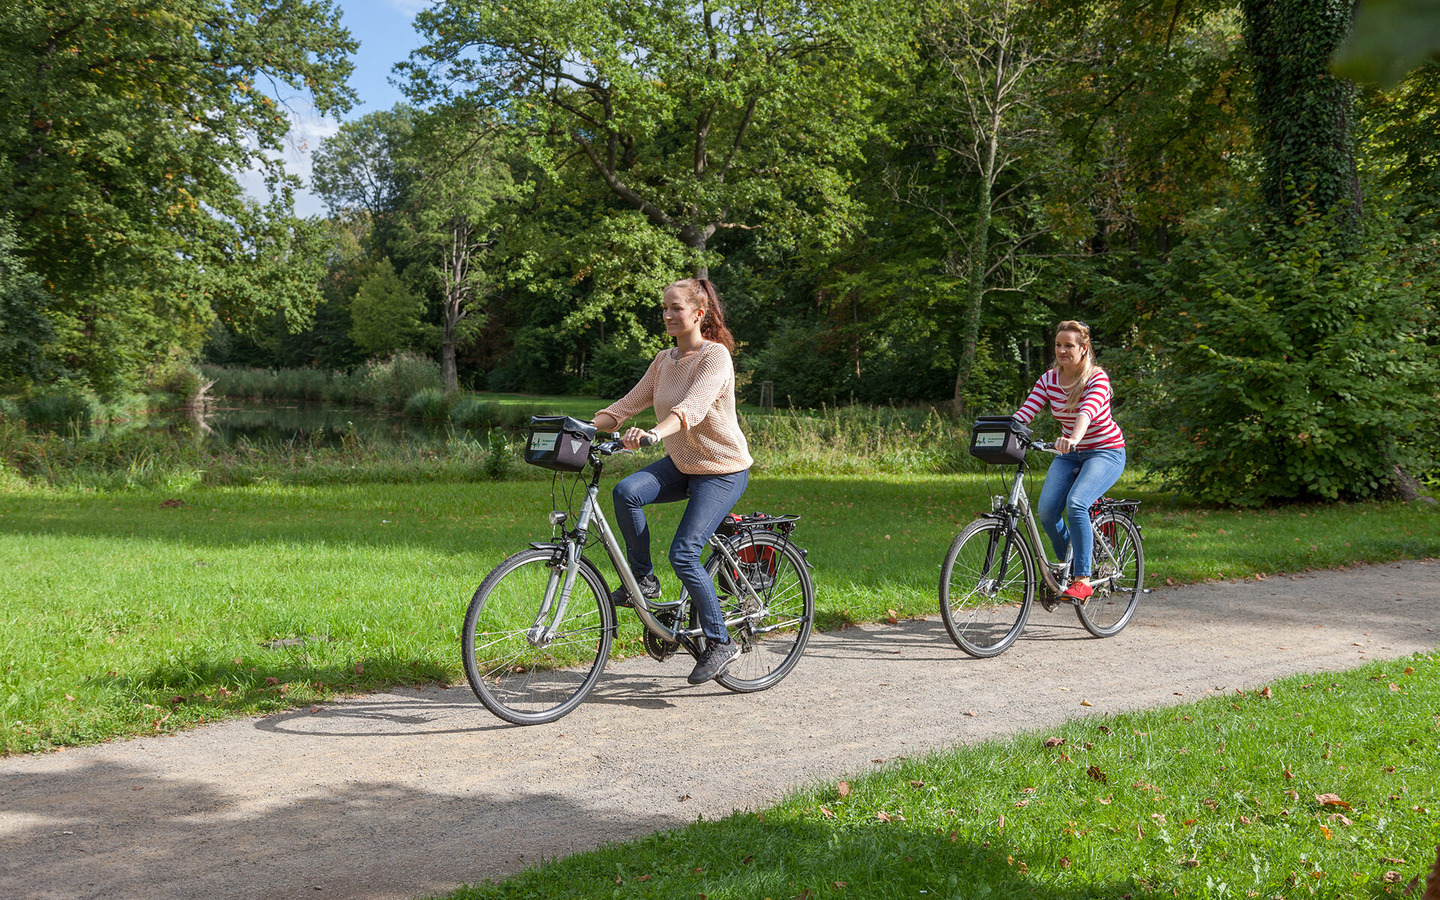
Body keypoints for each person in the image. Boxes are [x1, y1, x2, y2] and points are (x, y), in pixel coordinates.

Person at [592, 277, 753, 685]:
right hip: (684, 463)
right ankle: (641, 580)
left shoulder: (714, 357)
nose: (667, 315)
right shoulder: (664, 360)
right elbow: (626, 406)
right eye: (664, 308)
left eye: (676, 308)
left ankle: (721, 642)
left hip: (722, 468)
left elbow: (691, 409)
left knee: (684, 553)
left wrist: (653, 435)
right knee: (626, 491)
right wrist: (579, 428)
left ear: (699, 314)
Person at [1013, 320, 1127, 603]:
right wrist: (1002, 430)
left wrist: (1073, 438)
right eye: (1058, 345)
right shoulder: (1049, 379)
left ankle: (1082, 578)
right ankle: (1069, 568)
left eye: (1069, 345)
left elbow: (1086, 413)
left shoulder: (1096, 378)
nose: (1062, 350)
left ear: (1084, 348)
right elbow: (1025, 412)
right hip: (1070, 454)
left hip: (1105, 451)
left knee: (1077, 503)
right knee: (1048, 512)